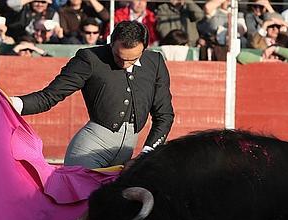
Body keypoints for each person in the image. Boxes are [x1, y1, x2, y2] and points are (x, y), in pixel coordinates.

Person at [9, 21, 174, 169]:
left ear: (144, 48)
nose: (123, 64)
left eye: (132, 59)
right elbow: (49, 97)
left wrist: (146, 155)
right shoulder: (90, 58)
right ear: (110, 43)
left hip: (126, 157)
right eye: (118, 56)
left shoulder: (155, 62)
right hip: (87, 153)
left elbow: (164, 115)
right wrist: (10, 104)